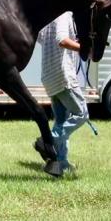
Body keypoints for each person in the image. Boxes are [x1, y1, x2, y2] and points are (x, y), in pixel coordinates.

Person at [34, 11, 89, 173]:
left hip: (49, 76)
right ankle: (48, 140)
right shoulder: (64, 15)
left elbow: (40, 37)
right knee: (81, 114)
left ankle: (60, 164)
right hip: (63, 76)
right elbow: (62, 41)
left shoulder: (49, 16)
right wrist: (84, 48)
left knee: (61, 120)